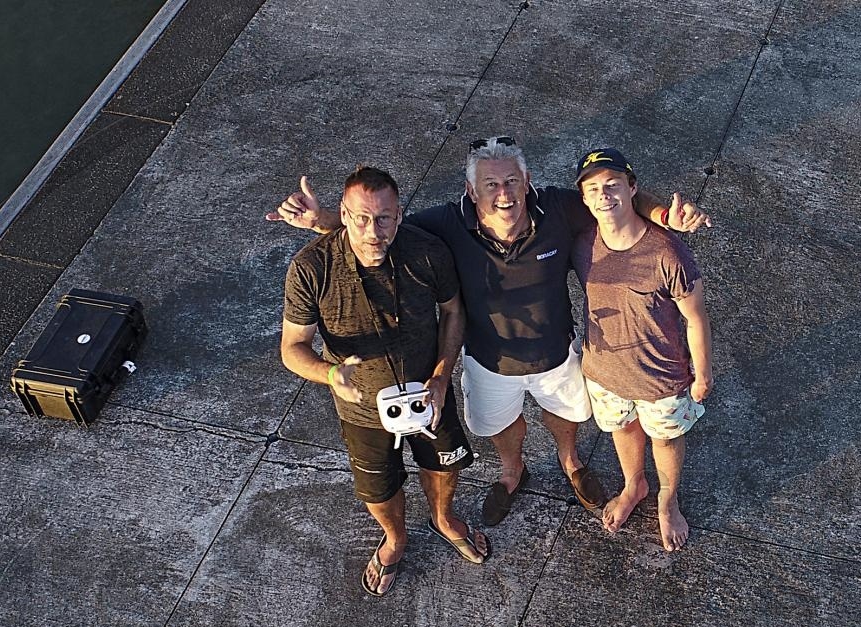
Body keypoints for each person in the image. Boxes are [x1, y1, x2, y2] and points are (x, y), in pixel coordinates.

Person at [271, 137, 708, 527]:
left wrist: (665, 214)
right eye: (491, 184)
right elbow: (380, 227)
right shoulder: (446, 223)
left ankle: (571, 461)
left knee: (565, 416)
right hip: (488, 361)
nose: (504, 194)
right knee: (501, 423)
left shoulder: (558, 208)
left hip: (555, 355)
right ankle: (512, 471)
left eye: (512, 181)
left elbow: (618, 195)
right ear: (471, 190)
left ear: (527, 182)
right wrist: (322, 219)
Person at [280, 165, 484, 597]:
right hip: (361, 409)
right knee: (377, 487)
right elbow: (292, 348)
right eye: (361, 218)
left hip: (430, 392)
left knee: (443, 466)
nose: (373, 232)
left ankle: (443, 518)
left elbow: (452, 311)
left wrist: (442, 376)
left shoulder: (427, 252)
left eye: (384, 218)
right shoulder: (310, 268)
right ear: (343, 215)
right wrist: (330, 373)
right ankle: (395, 538)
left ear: (399, 214)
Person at [572, 147, 710, 552]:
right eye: (593, 188)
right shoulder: (582, 242)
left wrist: (703, 373)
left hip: (661, 378)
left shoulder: (668, 253)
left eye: (613, 184)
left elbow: (696, 317)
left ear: (632, 188)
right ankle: (635, 484)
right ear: (583, 198)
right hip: (604, 372)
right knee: (622, 428)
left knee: (664, 440)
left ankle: (668, 498)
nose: (603, 195)